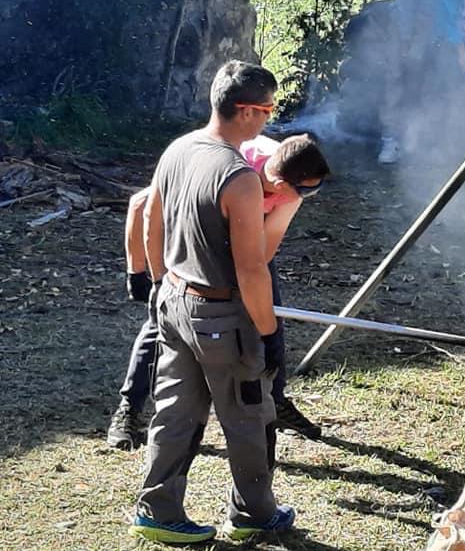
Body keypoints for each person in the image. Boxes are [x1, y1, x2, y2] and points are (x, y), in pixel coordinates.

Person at [130, 61, 303, 544]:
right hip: (221, 317)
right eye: (267, 111)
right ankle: (254, 513)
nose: (268, 120)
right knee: (249, 412)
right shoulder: (238, 178)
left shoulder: (178, 148)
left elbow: (150, 221)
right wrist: (268, 333)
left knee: (175, 410)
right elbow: (252, 269)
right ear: (246, 111)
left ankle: (157, 509)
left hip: (174, 303)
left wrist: (162, 283)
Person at [107, 137, 328, 450]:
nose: (309, 196)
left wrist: (248, 293)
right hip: (197, 232)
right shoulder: (225, 163)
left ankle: (274, 401)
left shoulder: (291, 183)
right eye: (306, 190)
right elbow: (143, 206)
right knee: (162, 322)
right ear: (279, 182)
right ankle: (129, 409)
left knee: (268, 316)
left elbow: (263, 251)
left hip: (246, 235)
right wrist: (142, 273)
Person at [378, 0, 465, 164]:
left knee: (445, 82)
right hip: (422, 26)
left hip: (453, 29)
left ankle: (439, 140)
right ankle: (392, 140)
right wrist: (406, 35)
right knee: (402, 79)